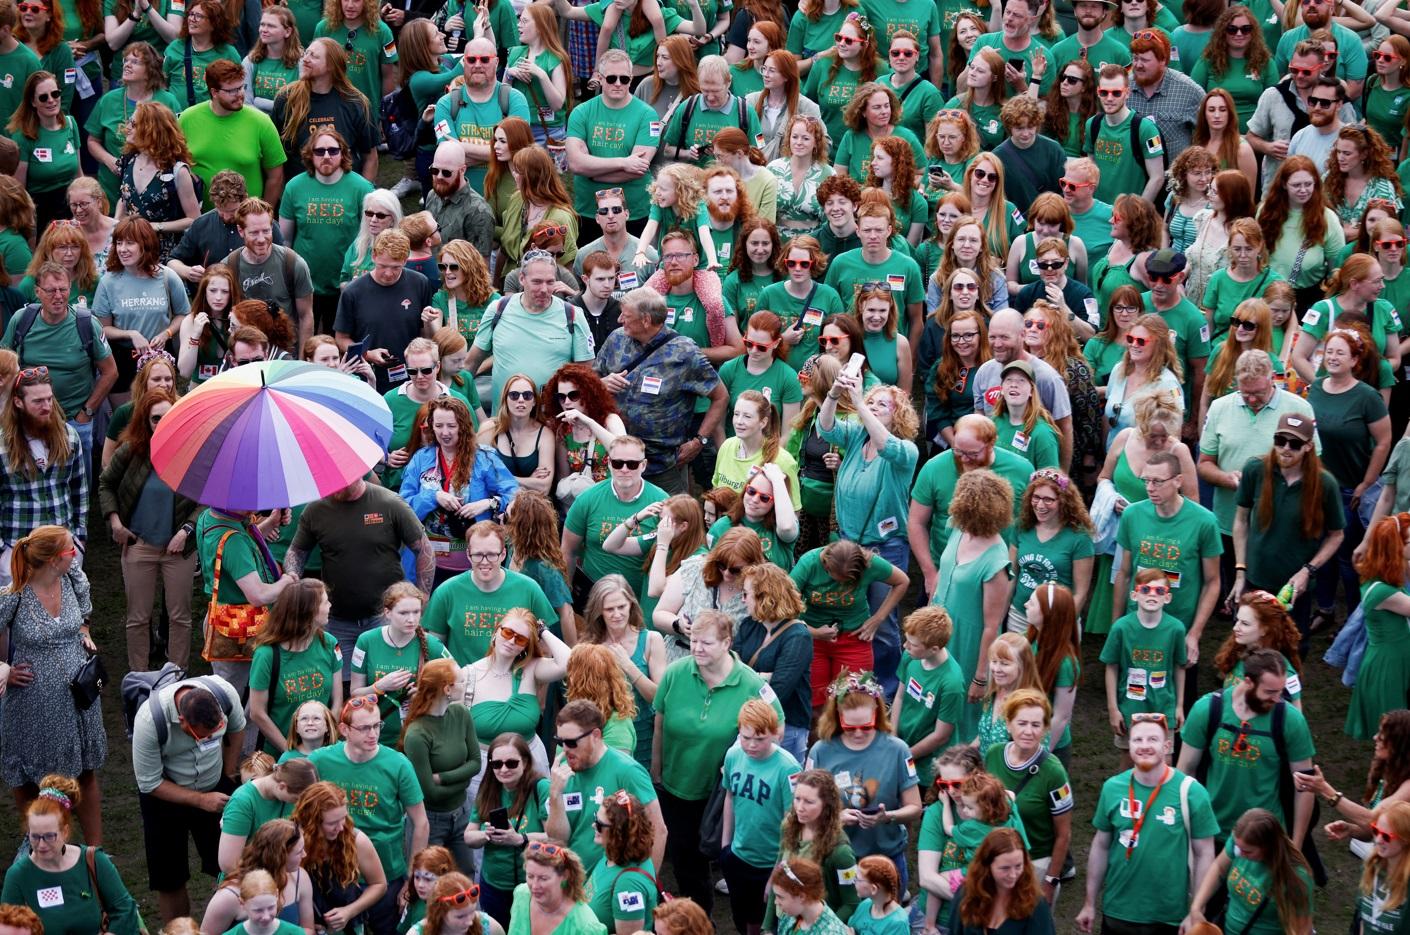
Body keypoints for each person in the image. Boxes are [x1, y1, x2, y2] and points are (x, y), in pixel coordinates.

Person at [654, 609, 783, 907]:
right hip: (677, 786)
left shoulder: (751, 684)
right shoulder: (676, 672)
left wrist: (750, 760)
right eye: (694, 641)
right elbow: (660, 720)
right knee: (685, 859)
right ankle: (700, 919)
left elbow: (777, 727)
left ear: (727, 643)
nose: (697, 648)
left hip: (724, 792)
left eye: (706, 643)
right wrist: (657, 770)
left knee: (730, 857)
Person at [1075, 711, 1219, 934]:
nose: (1144, 746)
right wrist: (1089, 903)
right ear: (1129, 745)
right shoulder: (1112, 788)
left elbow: (1205, 854)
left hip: (1169, 917)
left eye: (1153, 739)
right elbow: (1101, 845)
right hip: (1118, 912)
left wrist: (1196, 911)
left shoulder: (1191, 792)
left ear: (1167, 745)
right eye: (1137, 740)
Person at [285, 471, 434, 679]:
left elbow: (424, 549)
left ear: (357, 475)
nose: (334, 488)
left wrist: (423, 595)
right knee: (343, 686)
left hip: (385, 618)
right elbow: (297, 551)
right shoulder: (316, 509)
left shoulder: (389, 503)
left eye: (339, 482)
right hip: (337, 619)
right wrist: (292, 575)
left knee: (388, 681)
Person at [132, 669, 246, 922]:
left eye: (213, 733)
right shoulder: (149, 721)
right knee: (169, 877)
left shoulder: (225, 694)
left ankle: (229, 925)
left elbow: (238, 728)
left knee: (232, 864)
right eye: (200, 736)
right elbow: (149, 782)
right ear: (182, 720)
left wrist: (228, 772)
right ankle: (178, 929)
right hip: (164, 796)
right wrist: (201, 800)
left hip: (215, 783)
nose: (206, 741)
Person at [307, 697, 430, 933]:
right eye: (364, 728)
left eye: (377, 725)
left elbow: (421, 823)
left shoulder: (398, 764)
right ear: (344, 729)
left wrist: (411, 879)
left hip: (386, 871)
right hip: (334, 874)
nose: (373, 734)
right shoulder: (320, 761)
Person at [97, 386, 199, 671]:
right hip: (138, 545)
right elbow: (106, 484)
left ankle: (176, 677)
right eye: (156, 418)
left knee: (180, 617)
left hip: (178, 548)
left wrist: (186, 531)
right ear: (145, 420)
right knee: (137, 617)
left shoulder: (191, 454)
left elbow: (206, 499)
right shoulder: (131, 450)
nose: (162, 424)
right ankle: (138, 678)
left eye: (168, 417)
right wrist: (115, 522)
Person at [595, 288, 729, 495]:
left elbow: (720, 397)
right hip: (615, 459)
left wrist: (699, 441)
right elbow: (590, 380)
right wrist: (602, 383)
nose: (620, 319)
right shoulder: (616, 340)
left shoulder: (685, 353)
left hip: (662, 466)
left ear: (646, 320)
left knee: (671, 520)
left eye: (626, 315)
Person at [1231, 412, 1344, 645]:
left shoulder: (1325, 484)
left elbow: (1336, 535)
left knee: (1291, 649)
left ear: (1308, 447)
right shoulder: (1255, 469)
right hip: (1254, 579)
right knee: (1245, 645)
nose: (1285, 448)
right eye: (1280, 440)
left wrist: (1307, 571)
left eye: (1294, 443)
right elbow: (1241, 520)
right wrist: (1240, 572)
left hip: (1294, 589)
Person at [1307, 328, 1392, 631]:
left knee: (1347, 557)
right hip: (1319, 487)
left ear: (1355, 359)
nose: (1332, 357)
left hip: (1351, 488)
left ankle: (1355, 619)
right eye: (1329, 351)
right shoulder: (1314, 389)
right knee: (1323, 553)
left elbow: (1383, 441)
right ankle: (1325, 609)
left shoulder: (1367, 397)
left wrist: (1366, 483)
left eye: (1340, 352)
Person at [1113, 448, 1221, 680]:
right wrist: (1117, 624)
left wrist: (1195, 633)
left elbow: (1212, 582)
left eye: (1158, 481)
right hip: (1137, 623)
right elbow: (1123, 573)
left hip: (1179, 627)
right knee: (1135, 696)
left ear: (1178, 481)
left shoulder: (1204, 522)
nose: (1150, 488)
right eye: (1146, 480)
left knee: (1178, 699)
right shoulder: (1132, 515)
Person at [807, 670, 922, 886]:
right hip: (839, 857)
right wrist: (834, 819)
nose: (858, 733)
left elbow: (914, 807)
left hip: (886, 859)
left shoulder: (897, 750)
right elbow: (802, 808)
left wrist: (887, 816)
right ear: (837, 718)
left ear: (877, 714)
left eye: (866, 726)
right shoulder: (821, 751)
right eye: (850, 727)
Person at [0, 774, 143, 934]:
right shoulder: (18, 876)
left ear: (65, 832)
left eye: (49, 836)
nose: (41, 845)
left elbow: (125, 910)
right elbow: (7, 928)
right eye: (34, 836)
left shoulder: (94, 861)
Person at [545, 699, 666, 874]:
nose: (565, 749)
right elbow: (558, 839)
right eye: (560, 742)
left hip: (614, 882)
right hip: (575, 881)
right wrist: (555, 796)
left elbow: (659, 830)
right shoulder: (563, 772)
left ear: (595, 735)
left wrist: (647, 881)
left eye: (571, 743)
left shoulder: (627, 771)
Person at [983, 690, 1073, 902]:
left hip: (1035, 863)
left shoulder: (1054, 772)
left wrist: (1051, 879)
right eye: (1022, 723)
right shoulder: (993, 755)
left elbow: (1064, 834)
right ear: (1008, 724)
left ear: (1045, 729)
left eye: (1035, 725)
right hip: (995, 857)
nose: (1028, 731)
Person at [398, 658, 480, 877]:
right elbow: (430, 793)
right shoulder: (417, 734)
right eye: (461, 681)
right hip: (432, 820)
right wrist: (463, 780)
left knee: (466, 874)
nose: (465, 685)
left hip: (462, 812)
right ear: (447, 688)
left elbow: (476, 763)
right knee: (430, 877)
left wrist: (443, 777)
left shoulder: (461, 714)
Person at [464, 732, 549, 927]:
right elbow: (469, 836)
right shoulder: (489, 789)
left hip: (531, 886)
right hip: (493, 885)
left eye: (511, 763)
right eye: (496, 764)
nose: (503, 769)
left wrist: (520, 839)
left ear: (525, 762)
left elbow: (555, 837)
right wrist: (486, 834)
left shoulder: (540, 788)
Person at [1185, 808, 1315, 935]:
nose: (1239, 853)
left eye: (1247, 851)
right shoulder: (1240, 844)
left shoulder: (1296, 877)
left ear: (1269, 847)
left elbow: (1302, 930)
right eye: (1236, 847)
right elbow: (1219, 867)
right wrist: (1196, 907)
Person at [247, 579, 342, 752]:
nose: (330, 605)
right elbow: (257, 713)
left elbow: (337, 702)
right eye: (325, 601)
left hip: (324, 750)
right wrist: (291, 752)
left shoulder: (329, 644)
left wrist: (327, 744)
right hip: (281, 753)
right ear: (309, 611)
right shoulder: (266, 655)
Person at [179, 59, 286, 204]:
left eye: (241, 87)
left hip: (247, 219)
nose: (240, 94)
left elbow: (276, 177)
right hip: (200, 219)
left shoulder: (261, 122)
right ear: (214, 92)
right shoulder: (187, 118)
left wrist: (264, 214)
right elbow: (177, 163)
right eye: (232, 90)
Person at [290, 780, 389, 933]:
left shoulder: (356, 840)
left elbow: (379, 885)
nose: (341, 827)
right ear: (312, 822)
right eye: (332, 823)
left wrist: (349, 911)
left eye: (343, 817)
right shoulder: (292, 841)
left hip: (347, 925)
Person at [201, 819, 315, 934]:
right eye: (299, 852)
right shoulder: (230, 896)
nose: (304, 855)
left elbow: (309, 929)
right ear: (280, 856)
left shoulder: (300, 878)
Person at [216, 759, 319, 874]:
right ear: (281, 786)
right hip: (248, 881)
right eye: (296, 799)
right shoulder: (243, 802)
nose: (298, 804)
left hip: (280, 876)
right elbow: (228, 864)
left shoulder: (285, 794)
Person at [947, 828, 1056, 935]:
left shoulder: (1035, 904)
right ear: (987, 866)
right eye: (1005, 868)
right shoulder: (966, 895)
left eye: (1018, 866)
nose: (1013, 875)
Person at [1083, 63, 1164, 205]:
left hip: (1129, 216)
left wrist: (1136, 213)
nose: (1109, 98)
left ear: (1127, 93)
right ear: (1098, 91)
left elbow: (1157, 177)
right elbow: (1090, 169)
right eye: (1104, 92)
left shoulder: (1145, 129)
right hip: (1098, 210)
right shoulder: (1092, 124)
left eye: (1116, 93)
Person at [770, 858, 852, 935]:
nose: (776, 902)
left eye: (780, 897)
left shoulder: (831, 932)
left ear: (801, 896)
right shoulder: (791, 915)